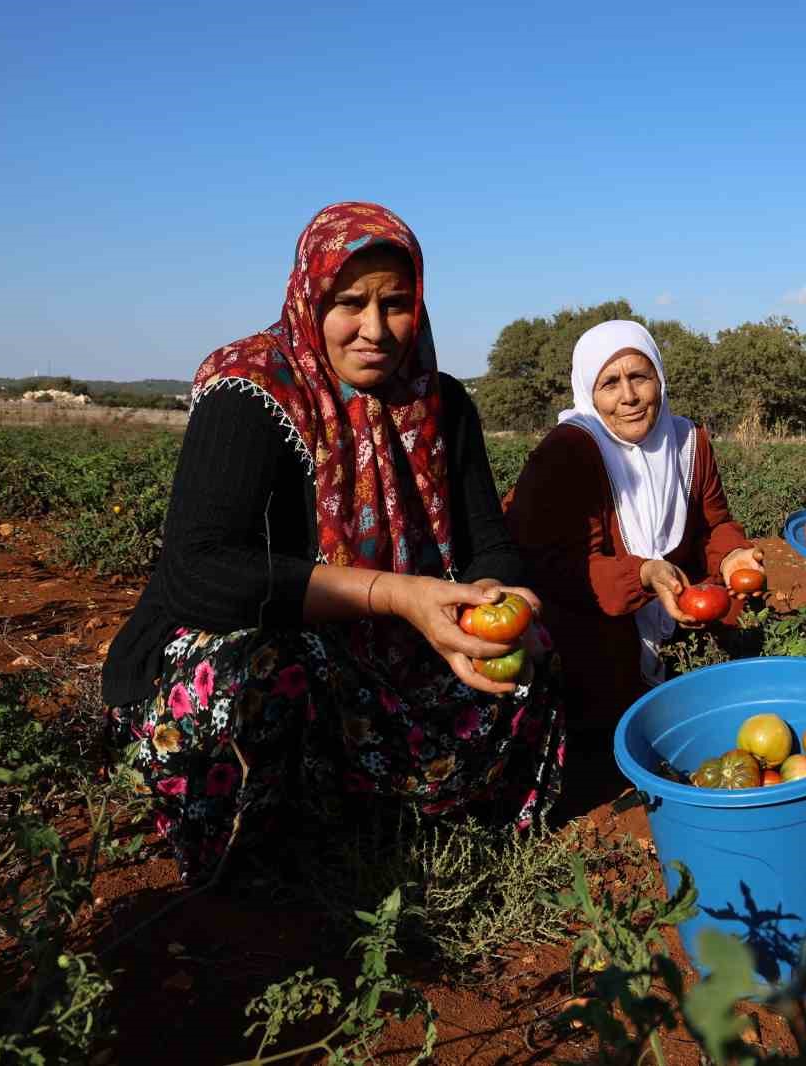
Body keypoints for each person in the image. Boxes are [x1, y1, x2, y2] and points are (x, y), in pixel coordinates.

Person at [101, 203, 563, 883]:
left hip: (392, 650)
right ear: (311, 298)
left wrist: (499, 598)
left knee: (533, 653)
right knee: (271, 664)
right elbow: (198, 572)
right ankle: (263, 856)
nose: (376, 329)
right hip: (266, 641)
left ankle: (414, 817)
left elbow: (487, 541)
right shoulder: (251, 388)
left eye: (397, 304)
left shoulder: (444, 404)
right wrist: (390, 595)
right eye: (352, 302)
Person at [503, 320, 765, 732]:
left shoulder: (687, 441)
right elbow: (555, 566)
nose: (628, 397)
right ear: (588, 391)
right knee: (609, 723)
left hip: (672, 608)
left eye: (639, 377)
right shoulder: (569, 451)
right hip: (592, 622)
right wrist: (642, 573)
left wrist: (732, 553)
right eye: (609, 383)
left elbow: (715, 523)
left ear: (659, 378)